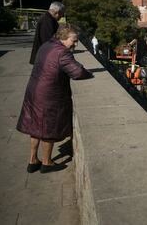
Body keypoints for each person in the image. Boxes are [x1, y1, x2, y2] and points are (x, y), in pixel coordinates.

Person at [17, 24, 93, 173]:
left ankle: (32, 160)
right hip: (49, 95)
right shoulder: (62, 52)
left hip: (34, 91)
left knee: (35, 126)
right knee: (48, 127)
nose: (76, 44)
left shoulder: (46, 45)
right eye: (74, 40)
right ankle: (47, 162)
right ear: (63, 38)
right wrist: (89, 73)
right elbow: (77, 73)